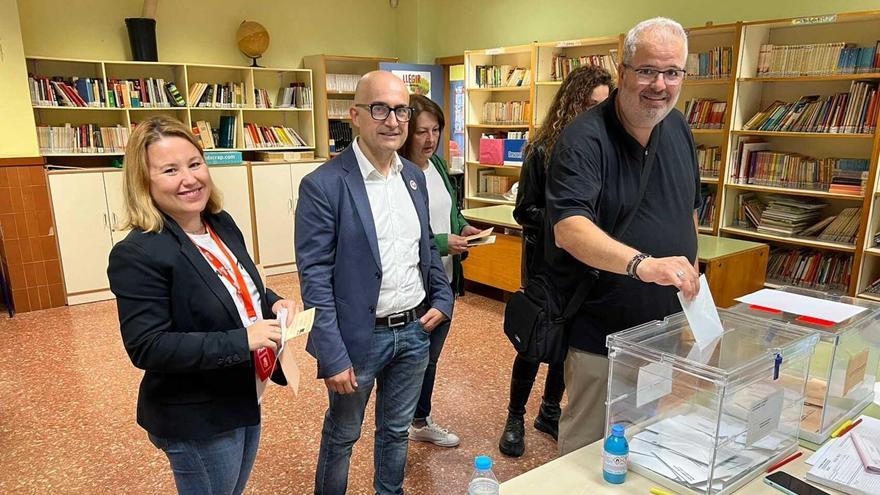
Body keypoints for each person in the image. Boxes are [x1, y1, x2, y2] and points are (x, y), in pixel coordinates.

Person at [107, 116, 299, 494]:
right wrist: (242, 339)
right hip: (197, 414)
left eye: (195, 164)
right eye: (170, 170)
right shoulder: (138, 253)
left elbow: (241, 286)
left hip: (243, 394)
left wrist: (273, 303)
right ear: (143, 181)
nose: (189, 179)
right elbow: (149, 346)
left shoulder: (220, 223)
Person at [545, 17, 702, 456]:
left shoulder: (679, 129)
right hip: (602, 335)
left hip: (661, 330)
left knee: (645, 439)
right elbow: (569, 230)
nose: (660, 85)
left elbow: (688, 212)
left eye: (672, 73)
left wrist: (692, 272)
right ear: (623, 71)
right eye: (648, 70)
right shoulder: (584, 139)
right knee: (586, 453)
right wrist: (643, 265)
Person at [295, 71, 454, 495]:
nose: (393, 121)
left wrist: (442, 297)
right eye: (380, 109)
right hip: (358, 341)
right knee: (343, 436)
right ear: (355, 116)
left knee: (397, 430)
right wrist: (331, 353)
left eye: (401, 110)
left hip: (414, 332)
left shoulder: (413, 177)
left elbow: (426, 249)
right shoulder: (324, 186)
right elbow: (314, 279)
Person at [499, 65, 613, 458]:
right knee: (534, 342)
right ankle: (514, 416)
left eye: (605, 105)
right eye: (591, 104)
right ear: (573, 102)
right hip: (546, 267)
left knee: (568, 345)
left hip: (586, 268)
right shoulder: (542, 148)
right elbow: (523, 210)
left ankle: (549, 412)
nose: (598, 112)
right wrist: (568, 220)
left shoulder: (603, 149)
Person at [398, 94, 482, 448]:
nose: (430, 139)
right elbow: (403, 233)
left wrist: (463, 229)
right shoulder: (399, 173)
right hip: (415, 280)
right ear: (406, 134)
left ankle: (419, 419)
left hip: (445, 280)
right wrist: (446, 243)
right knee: (413, 358)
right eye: (421, 132)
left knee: (431, 357)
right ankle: (399, 424)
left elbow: (451, 211)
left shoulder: (439, 167)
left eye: (436, 130)